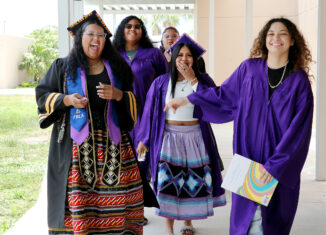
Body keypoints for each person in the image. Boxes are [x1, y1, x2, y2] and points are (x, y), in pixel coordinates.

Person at [165, 18, 314, 235]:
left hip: (277, 169)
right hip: (248, 161)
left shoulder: (299, 81)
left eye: (282, 34)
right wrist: (189, 99)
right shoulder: (249, 70)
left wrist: (274, 166)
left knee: (271, 224)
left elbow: (299, 132)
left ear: (292, 41)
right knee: (246, 223)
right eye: (271, 33)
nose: (276, 38)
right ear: (264, 39)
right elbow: (223, 96)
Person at [35, 10, 157, 235]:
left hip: (114, 148)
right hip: (75, 150)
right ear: (80, 37)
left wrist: (118, 95)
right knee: (80, 205)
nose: (96, 40)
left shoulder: (118, 68)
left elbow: (132, 99)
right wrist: (66, 99)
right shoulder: (63, 67)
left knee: (117, 204)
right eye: (91, 34)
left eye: (101, 35)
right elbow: (42, 96)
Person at [137, 34, 226, 235]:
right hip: (169, 137)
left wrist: (192, 79)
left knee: (191, 182)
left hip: (195, 137)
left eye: (189, 55)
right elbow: (150, 112)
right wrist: (144, 139)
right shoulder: (161, 82)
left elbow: (215, 101)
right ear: (174, 56)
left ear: (194, 59)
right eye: (180, 55)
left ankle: (188, 222)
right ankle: (168, 228)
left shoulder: (202, 80)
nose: (184, 59)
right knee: (168, 183)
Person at [112, 16, 168, 181]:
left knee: (142, 154)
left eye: (137, 26)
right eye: (128, 26)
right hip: (120, 113)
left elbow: (164, 83)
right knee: (121, 156)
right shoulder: (114, 55)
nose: (132, 29)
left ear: (142, 31)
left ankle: (141, 190)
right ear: (122, 30)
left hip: (146, 112)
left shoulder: (154, 54)